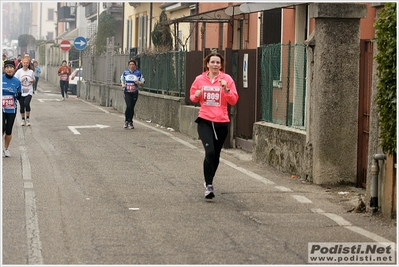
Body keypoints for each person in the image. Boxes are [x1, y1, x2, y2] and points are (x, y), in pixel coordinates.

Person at [189, 52, 239, 199]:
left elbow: (233, 100)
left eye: (218, 63)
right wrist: (197, 95)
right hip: (205, 120)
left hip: (222, 122)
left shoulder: (227, 79)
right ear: (207, 64)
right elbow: (192, 97)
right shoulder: (199, 79)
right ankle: (209, 185)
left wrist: (226, 89)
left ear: (221, 65)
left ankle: (209, 180)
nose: (216, 65)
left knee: (216, 155)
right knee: (209, 152)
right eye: (213, 62)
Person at [2, 60, 22, 157]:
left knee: (8, 130)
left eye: (11, 68)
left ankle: (6, 149)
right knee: (2, 128)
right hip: (1, 109)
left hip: (11, 109)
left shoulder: (17, 81)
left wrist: (18, 95)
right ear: (4, 69)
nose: (9, 69)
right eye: (7, 67)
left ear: (14, 69)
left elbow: (19, 96)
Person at [120, 59, 145, 129]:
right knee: (129, 106)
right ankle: (126, 121)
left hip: (134, 92)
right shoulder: (125, 72)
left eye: (133, 64)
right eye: (130, 64)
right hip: (127, 92)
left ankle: (130, 121)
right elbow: (122, 80)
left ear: (135, 65)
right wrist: (122, 84)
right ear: (129, 65)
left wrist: (139, 83)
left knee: (132, 107)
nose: (131, 66)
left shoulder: (138, 73)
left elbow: (143, 82)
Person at [14, 57, 35, 126]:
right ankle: (23, 119)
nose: (25, 64)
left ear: (29, 64)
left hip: (29, 91)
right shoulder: (19, 72)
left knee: (27, 103)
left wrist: (32, 81)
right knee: (22, 106)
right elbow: (15, 81)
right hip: (21, 91)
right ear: (22, 64)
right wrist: (21, 80)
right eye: (24, 63)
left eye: (27, 63)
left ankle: (28, 119)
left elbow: (33, 80)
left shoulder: (31, 72)